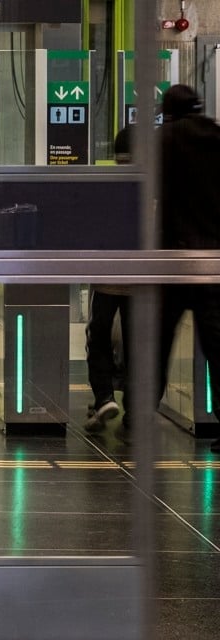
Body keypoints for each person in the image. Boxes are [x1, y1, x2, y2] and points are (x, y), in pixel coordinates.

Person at [155, 84, 220, 451]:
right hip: (213, 259)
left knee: (157, 341)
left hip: (174, 258)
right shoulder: (216, 137)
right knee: (217, 346)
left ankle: (141, 414)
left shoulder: (164, 141)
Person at [84, 126, 135, 434]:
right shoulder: (151, 185)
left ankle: (104, 397)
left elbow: (92, 228)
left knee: (99, 336)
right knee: (138, 342)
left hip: (106, 280)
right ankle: (136, 408)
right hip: (142, 281)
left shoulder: (105, 184)